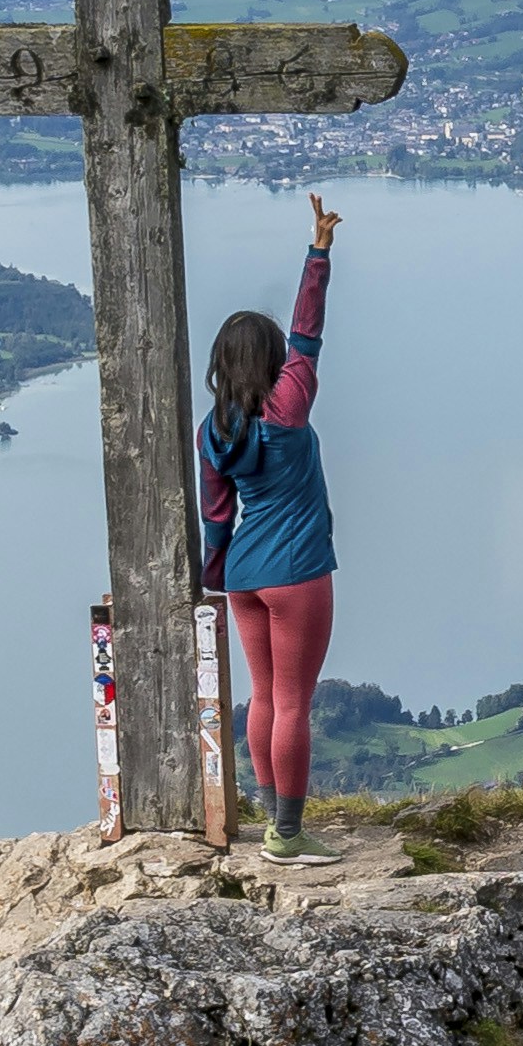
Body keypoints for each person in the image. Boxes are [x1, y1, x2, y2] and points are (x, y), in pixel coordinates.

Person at [198, 193, 343, 857]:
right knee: (293, 703)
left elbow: (217, 512)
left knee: (262, 696)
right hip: (297, 571)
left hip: (244, 575)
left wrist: (215, 569)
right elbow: (308, 331)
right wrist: (319, 251)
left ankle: (265, 814)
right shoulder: (287, 406)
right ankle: (289, 833)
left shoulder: (212, 431)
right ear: (272, 360)